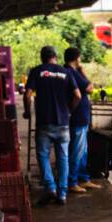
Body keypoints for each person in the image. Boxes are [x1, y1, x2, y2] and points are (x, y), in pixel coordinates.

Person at [24, 45, 79, 206]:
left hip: (44, 123)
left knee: (43, 156)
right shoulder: (66, 72)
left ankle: (50, 188)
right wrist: (69, 111)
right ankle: (62, 194)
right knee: (63, 158)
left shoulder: (37, 71)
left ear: (42, 57)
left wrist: (27, 112)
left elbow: (28, 95)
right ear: (55, 56)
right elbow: (77, 95)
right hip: (63, 123)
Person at [62, 47, 95, 194]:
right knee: (76, 151)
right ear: (77, 58)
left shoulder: (66, 71)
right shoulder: (72, 72)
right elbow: (89, 88)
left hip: (79, 117)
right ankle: (72, 181)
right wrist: (82, 70)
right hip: (78, 117)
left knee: (83, 151)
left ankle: (83, 178)